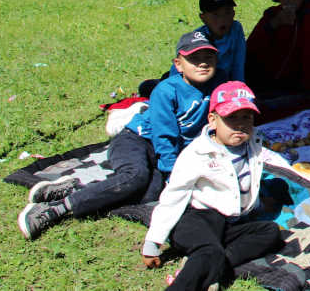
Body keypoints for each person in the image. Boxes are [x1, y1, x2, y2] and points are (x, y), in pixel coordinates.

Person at [18, 32, 220, 240]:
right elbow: (164, 138)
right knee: (135, 177)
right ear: (178, 64)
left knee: (150, 194)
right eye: (194, 58)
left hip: (167, 151)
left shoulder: (219, 84)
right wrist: (174, 176)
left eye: (209, 57)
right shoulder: (167, 90)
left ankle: (75, 188)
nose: (203, 63)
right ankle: (55, 208)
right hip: (136, 140)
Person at [142, 82, 284, 290]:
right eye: (231, 118)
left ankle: (208, 267)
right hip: (197, 219)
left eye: (246, 117)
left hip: (231, 222)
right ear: (213, 120)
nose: (240, 125)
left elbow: (252, 176)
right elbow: (174, 195)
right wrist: (153, 242)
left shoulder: (254, 143)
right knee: (210, 250)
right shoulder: (197, 154)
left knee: (270, 232)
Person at [245, 0, 310, 98]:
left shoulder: (309, 19)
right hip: (264, 80)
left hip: (294, 82)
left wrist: (308, 88)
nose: (290, 0)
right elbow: (252, 47)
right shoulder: (270, 15)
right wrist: (274, 24)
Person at [169, 0, 245, 86]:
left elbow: (238, 64)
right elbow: (181, 71)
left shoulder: (236, 29)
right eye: (215, 14)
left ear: (233, 13)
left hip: (225, 83)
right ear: (203, 18)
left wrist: (240, 88)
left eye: (227, 12)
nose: (222, 19)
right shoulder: (197, 40)